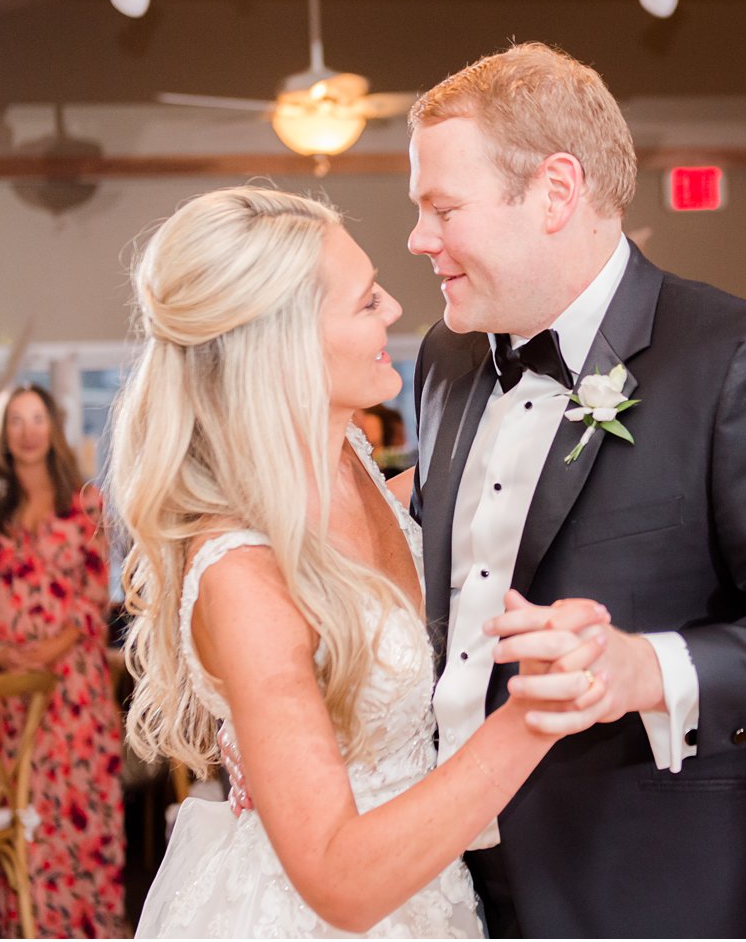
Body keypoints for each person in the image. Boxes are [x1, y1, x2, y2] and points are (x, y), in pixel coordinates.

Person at [407, 41, 746, 937]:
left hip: (658, 882)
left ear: (556, 192)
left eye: (444, 208)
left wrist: (648, 668)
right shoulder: (445, 359)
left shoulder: (740, 357)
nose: (419, 240)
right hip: (442, 886)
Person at [115, 187, 613, 938]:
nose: (392, 311)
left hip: (432, 895)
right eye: (363, 302)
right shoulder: (243, 577)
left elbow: (467, 502)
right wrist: (535, 716)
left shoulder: (348, 459)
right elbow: (338, 880)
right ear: (282, 341)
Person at [0, 383, 125, 937]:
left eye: (37, 419)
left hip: (70, 693)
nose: (27, 431)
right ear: (1, 434)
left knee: (68, 821)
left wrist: (44, 654)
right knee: (10, 825)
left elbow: (93, 595)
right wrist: (1, 653)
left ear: (52, 427)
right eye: (15, 421)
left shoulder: (85, 503)